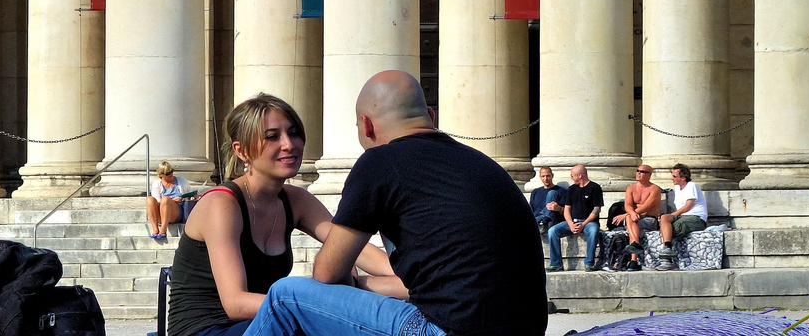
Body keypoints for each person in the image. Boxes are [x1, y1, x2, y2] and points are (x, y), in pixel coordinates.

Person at [243, 70, 548, 336]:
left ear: (367, 125)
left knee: (286, 295)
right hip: (525, 329)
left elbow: (327, 274)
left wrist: (353, 283)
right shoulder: (479, 163)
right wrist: (362, 285)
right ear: (430, 116)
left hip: (443, 330)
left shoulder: (380, 162)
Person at [167, 94, 397, 336]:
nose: (289, 144)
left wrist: (413, 278)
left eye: (294, 132)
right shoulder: (221, 204)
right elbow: (235, 303)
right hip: (209, 330)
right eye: (272, 137)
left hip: (268, 324)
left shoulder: (295, 200)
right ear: (242, 150)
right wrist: (316, 301)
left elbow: (351, 248)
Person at [545, 165, 603, 272]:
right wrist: (571, 224)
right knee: (552, 231)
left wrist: (584, 224)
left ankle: (589, 263)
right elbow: (567, 209)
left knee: (594, 231)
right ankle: (556, 263)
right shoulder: (572, 189)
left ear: (580, 175)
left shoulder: (595, 188)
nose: (571, 177)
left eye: (572, 175)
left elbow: (596, 209)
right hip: (573, 221)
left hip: (588, 222)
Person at [610, 164, 664, 254]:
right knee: (630, 220)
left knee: (629, 219)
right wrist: (632, 213)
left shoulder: (655, 189)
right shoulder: (631, 188)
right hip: (634, 218)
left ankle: (634, 255)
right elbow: (628, 205)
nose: (638, 173)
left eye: (642, 172)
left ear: (649, 175)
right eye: (637, 171)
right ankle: (635, 245)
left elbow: (647, 206)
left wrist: (628, 214)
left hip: (648, 218)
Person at [658, 164, 706, 249]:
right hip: (682, 216)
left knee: (672, 228)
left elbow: (687, 206)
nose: (671, 178)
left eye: (674, 176)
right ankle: (667, 247)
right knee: (664, 219)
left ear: (683, 178)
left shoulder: (691, 186)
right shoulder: (676, 188)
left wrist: (672, 215)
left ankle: (668, 247)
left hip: (696, 217)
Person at [147, 160, 186, 242]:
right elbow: (157, 201)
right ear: (161, 175)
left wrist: (181, 198)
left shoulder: (181, 181)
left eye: (171, 171)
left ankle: (163, 230)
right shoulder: (157, 184)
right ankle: (155, 229)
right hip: (162, 211)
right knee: (150, 199)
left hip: (176, 212)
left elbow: (188, 195)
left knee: (165, 199)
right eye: (167, 173)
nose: (171, 174)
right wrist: (171, 200)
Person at [528, 167, 564, 236]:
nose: (545, 179)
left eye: (548, 176)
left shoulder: (561, 191)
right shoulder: (535, 192)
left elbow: (567, 211)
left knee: (552, 193)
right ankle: (541, 221)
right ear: (540, 177)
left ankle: (543, 220)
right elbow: (531, 209)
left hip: (551, 223)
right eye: (543, 176)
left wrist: (559, 208)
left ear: (552, 176)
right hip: (537, 221)